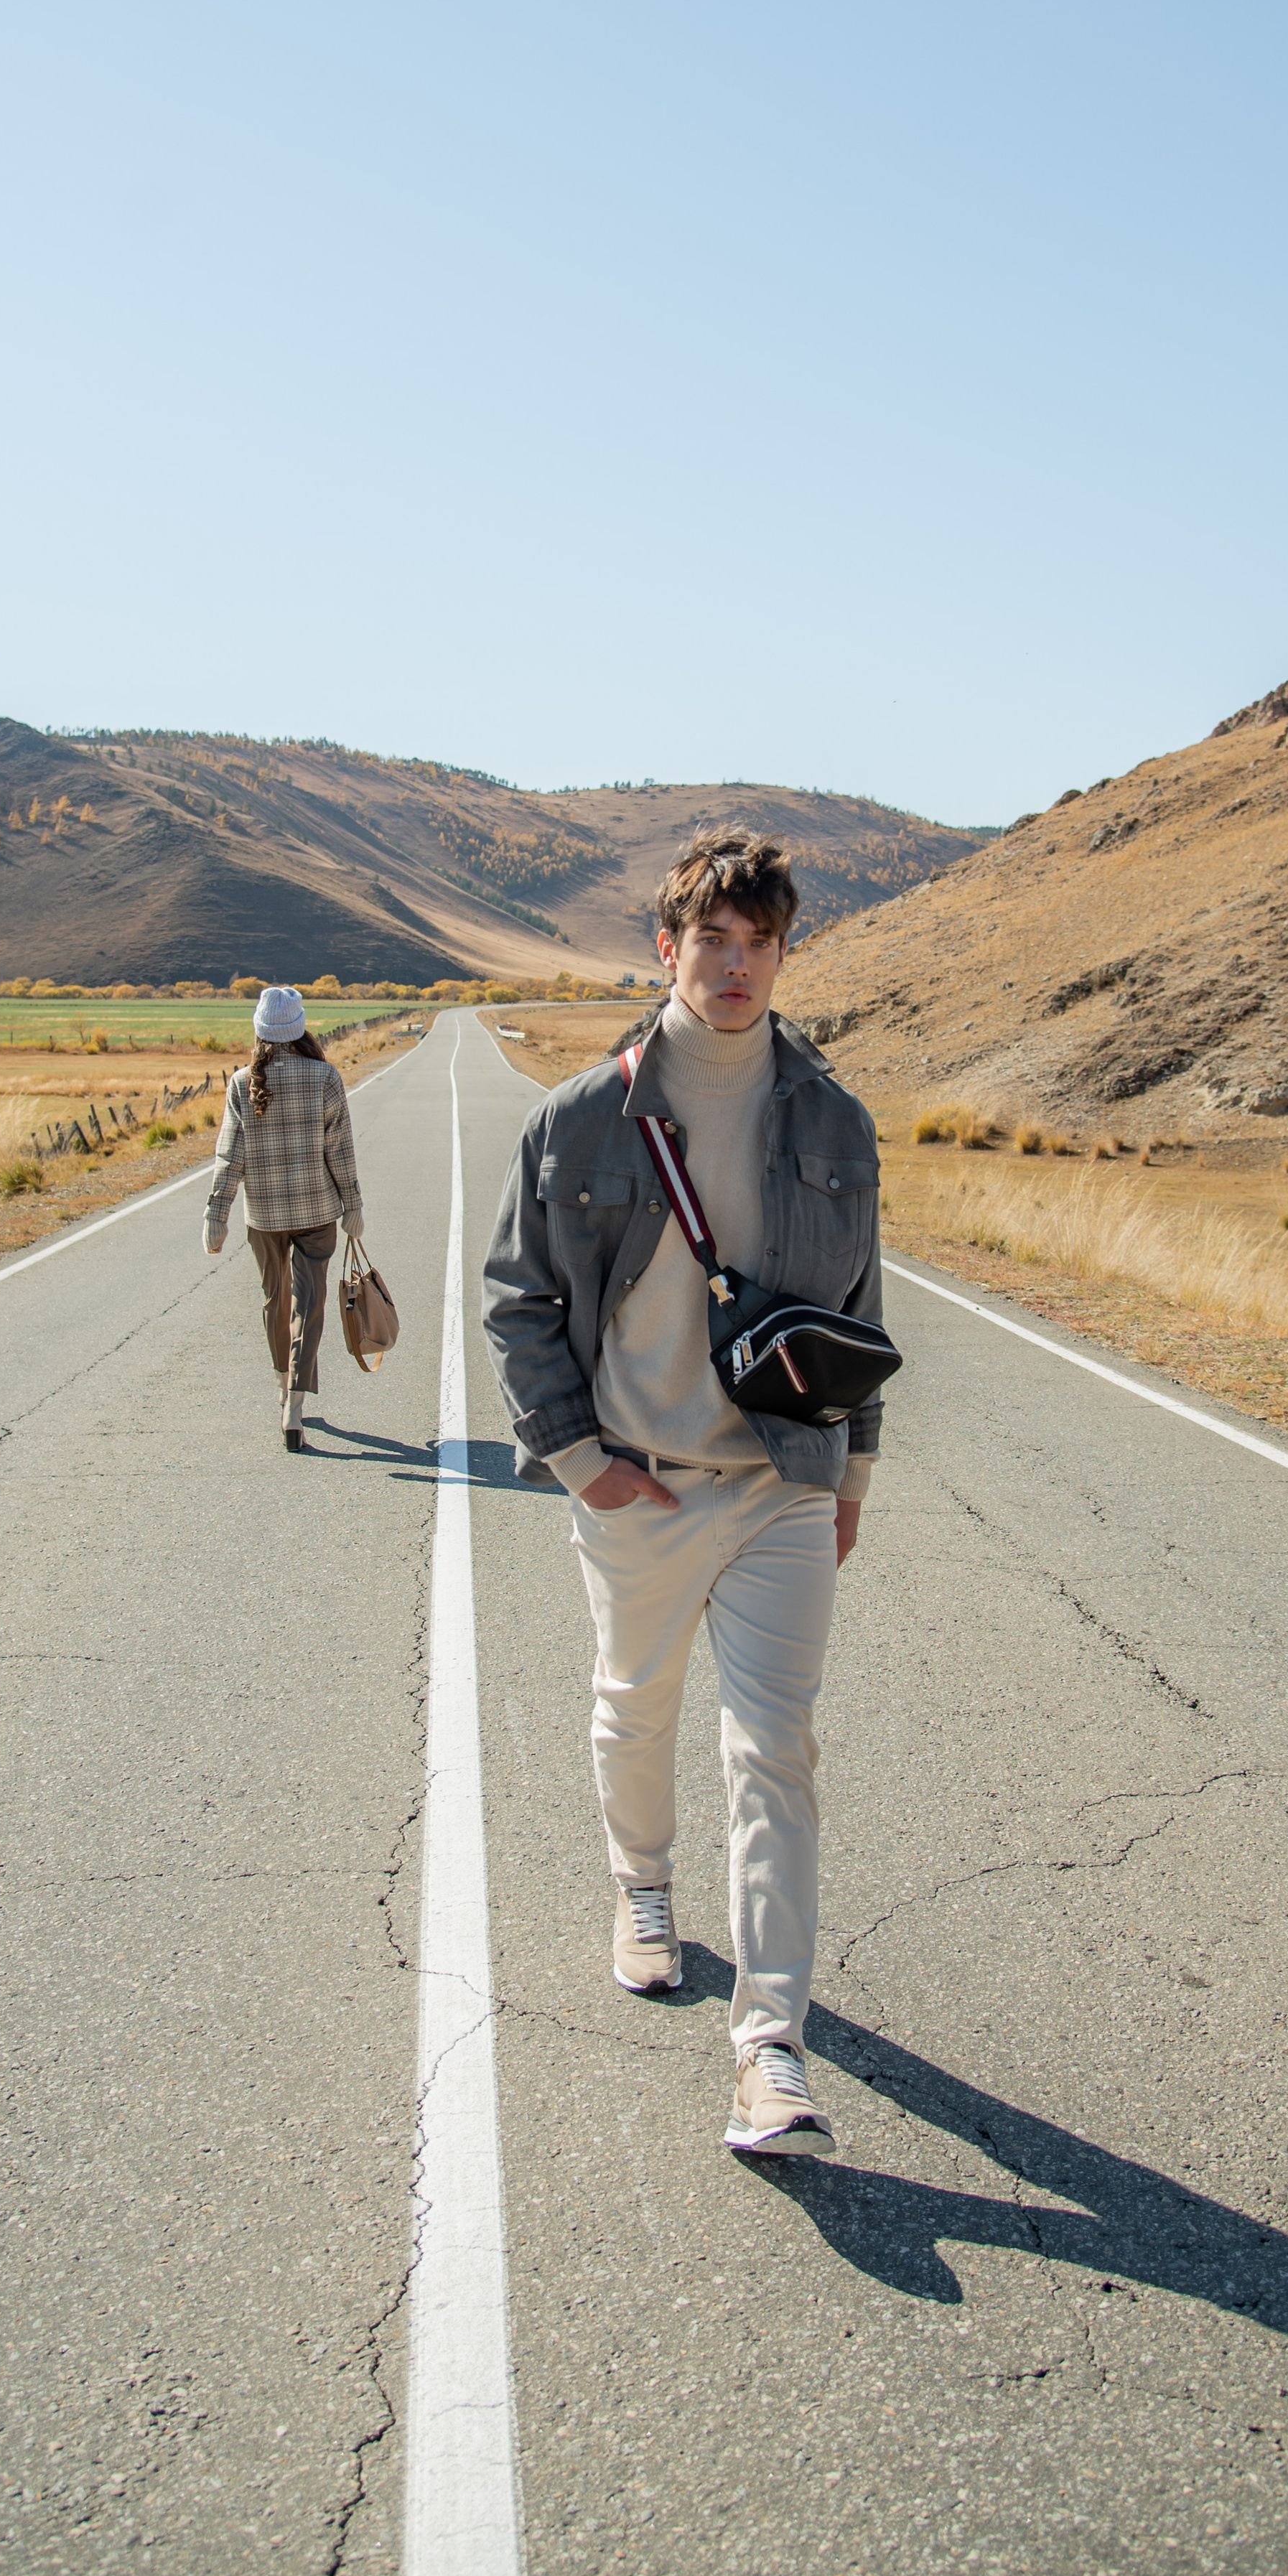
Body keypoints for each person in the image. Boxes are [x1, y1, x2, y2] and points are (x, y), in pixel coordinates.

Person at [482, 829, 883, 2153]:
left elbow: (857, 1306)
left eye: (759, 942)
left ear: (782, 955)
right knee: (635, 1706)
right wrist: (581, 1462)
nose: (735, 963)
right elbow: (519, 1298)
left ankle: (772, 2050)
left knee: (777, 1750)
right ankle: (641, 1885)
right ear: (669, 948)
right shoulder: (585, 1115)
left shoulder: (831, 1116)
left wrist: (855, 1463)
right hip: (640, 1484)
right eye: (712, 939)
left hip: (780, 1485)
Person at [205, 984, 363, 1452]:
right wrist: (353, 1207)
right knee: (308, 1306)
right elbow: (342, 1154)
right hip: (317, 1213)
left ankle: (281, 1386)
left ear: (259, 1029)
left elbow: (228, 1158)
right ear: (300, 1027)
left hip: (265, 1216)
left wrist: (217, 1217)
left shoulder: (241, 1083)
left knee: (275, 1301)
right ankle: (295, 1407)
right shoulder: (325, 1078)